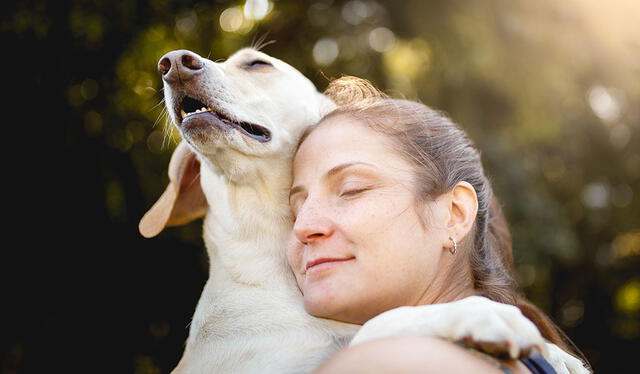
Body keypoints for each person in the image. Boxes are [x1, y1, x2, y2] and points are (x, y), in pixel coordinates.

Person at [286, 77, 587, 373]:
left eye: (352, 189)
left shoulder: (386, 363)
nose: (303, 227)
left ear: (454, 214)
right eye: (295, 210)